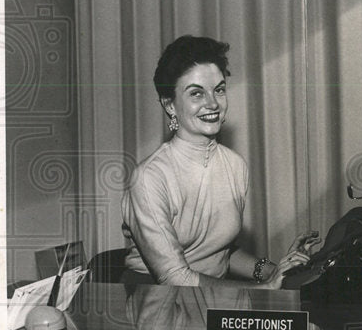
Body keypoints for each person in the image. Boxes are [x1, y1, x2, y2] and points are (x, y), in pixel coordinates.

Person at [121, 35, 321, 287]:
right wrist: (261, 291)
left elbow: (217, 252)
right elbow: (174, 277)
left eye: (219, 89)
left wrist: (273, 271)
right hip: (154, 299)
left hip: (212, 296)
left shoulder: (234, 165)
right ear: (170, 105)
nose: (212, 103)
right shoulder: (149, 178)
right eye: (196, 93)